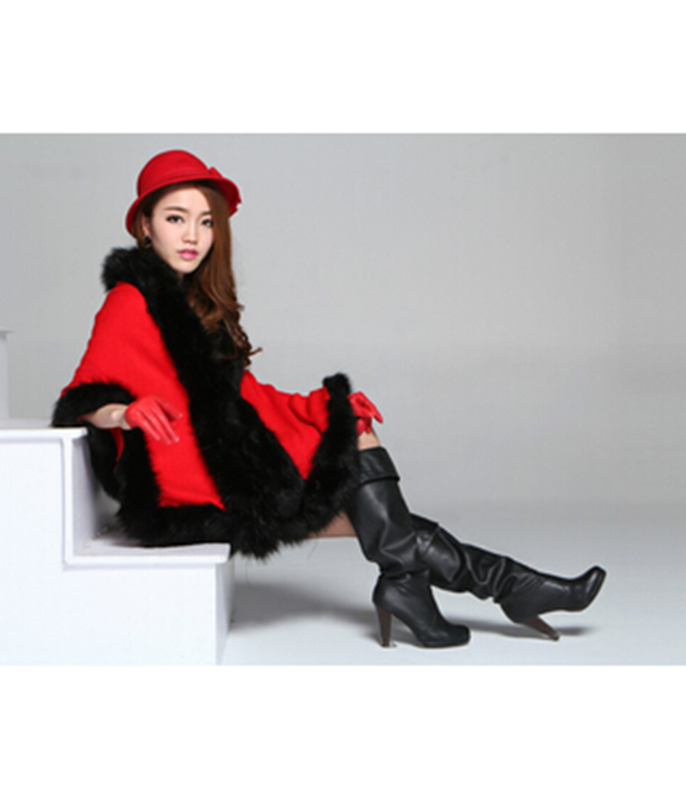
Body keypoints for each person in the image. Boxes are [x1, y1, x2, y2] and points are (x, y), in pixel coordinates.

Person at [52, 149, 606, 649]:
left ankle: (459, 584)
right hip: (185, 481)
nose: (193, 235)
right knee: (371, 499)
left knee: (357, 444)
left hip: (224, 459)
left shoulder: (194, 302)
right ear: (145, 226)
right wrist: (124, 412)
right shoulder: (130, 300)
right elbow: (82, 394)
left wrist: (318, 407)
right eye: (176, 218)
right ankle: (498, 586)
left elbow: (247, 397)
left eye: (205, 221)